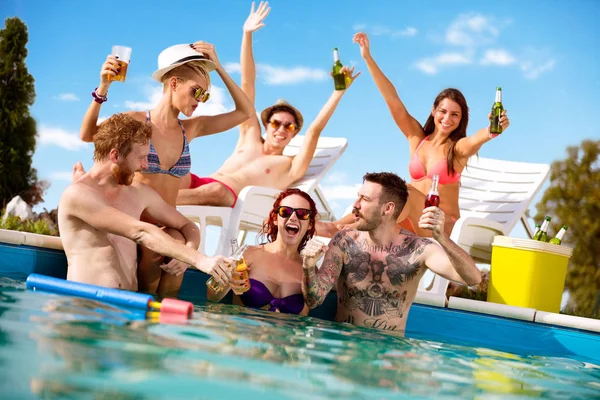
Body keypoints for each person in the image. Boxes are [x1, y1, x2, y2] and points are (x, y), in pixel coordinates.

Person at [77, 41, 254, 295]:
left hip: (171, 225)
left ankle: (162, 325)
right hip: (135, 223)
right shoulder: (135, 121)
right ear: (173, 84)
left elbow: (246, 111)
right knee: (162, 247)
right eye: (196, 92)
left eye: (205, 95)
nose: (200, 101)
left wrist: (219, 66)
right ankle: (152, 315)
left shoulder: (191, 129)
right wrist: (103, 87)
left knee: (176, 243)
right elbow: (87, 135)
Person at [317, 32, 510, 238]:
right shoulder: (417, 139)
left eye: (455, 115)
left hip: (439, 224)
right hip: (408, 219)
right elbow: (393, 100)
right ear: (433, 110)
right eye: (443, 111)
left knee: (402, 190)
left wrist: (491, 130)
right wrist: (367, 57)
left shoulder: (458, 149)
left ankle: (345, 227)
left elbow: (475, 140)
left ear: (461, 119)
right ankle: (335, 227)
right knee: (382, 194)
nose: (447, 118)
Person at [176, 1, 359, 208]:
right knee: (169, 172)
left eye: (288, 126)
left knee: (215, 190)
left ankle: (156, 202)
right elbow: (247, 82)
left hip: (226, 197)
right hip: (200, 184)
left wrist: (338, 92)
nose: (281, 129)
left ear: (295, 132)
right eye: (276, 123)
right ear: (266, 125)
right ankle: (149, 202)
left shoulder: (290, 165)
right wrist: (247, 34)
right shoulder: (249, 136)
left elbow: (315, 130)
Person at [60, 114, 232, 294]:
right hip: (87, 309)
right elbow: (140, 232)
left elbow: (187, 225)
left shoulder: (138, 192)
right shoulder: (77, 195)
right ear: (115, 155)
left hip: (128, 311)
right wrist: (200, 260)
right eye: (141, 157)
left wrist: (188, 253)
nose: (146, 165)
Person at [301, 172, 481, 332]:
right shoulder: (344, 242)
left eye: (365, 199)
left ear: (388, 208)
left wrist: (442, 238)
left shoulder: (418, 249)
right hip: (347, 346)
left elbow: (473, 278)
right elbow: (314, 300)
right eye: (358, 197)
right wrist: (308, 267)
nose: (355, 205)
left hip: (391, 354)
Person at [207, 188, 318, 316]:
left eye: (302, 213)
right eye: (285, 211)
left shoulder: (309, 269)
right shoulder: (248, 254)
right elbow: (212, 297)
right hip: (244, 331)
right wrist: (227, 282)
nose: (293, 217)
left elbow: (303, 321)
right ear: (275, 219)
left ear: (310, 224)